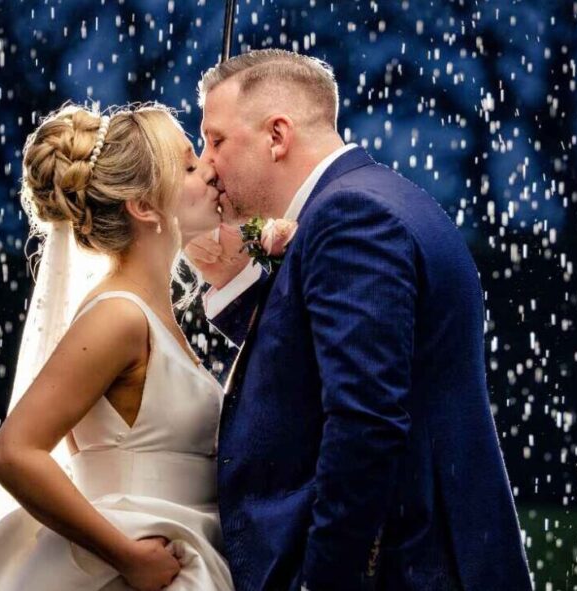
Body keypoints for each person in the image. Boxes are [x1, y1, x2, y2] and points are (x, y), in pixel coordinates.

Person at [185, 49, 532, 590]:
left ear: (277, 135)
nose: (207, 165)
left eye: (216, 140)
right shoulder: (372, 199)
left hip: (403, 571)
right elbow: (304, 364)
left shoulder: (352, 218)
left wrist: (323, 581)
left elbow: (365, 423)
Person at [0, 102, 235, 591]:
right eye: (188, 165)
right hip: (135, 568)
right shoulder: (118, 316)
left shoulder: (152, 315)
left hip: (188, 554)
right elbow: (14, 453)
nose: (210, 169)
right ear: (143, 207)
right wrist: (128, 557)